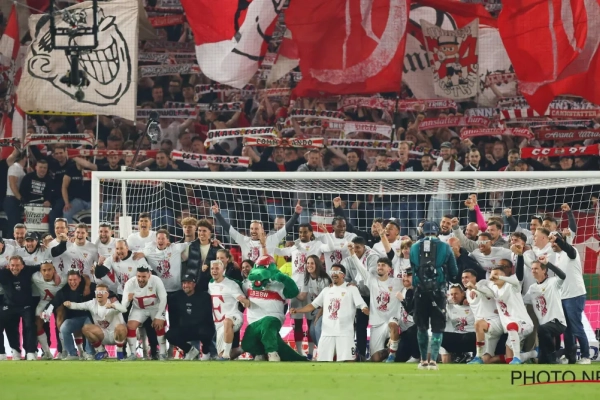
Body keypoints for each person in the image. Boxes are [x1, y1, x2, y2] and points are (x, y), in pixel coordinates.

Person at [291, 264, 369, 362]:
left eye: (337, 272)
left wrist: (365, 309)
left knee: (349, 361)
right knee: (322, 361)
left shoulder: (351, 289)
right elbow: (313, 305)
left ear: (343, 275)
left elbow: (361, 304)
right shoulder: (326, 290)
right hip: (327, 333)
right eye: (332, 272)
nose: (334, 274)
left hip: (345, 333)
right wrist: (298, 310)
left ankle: (359, 358)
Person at [410, 221, 458, 370]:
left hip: (420, 292)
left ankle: (423, 360)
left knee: (422, 327)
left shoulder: (414, 247)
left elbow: (413, 269)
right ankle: (434, 361)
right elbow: (454, 271)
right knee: (437, 327)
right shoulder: (445, 247)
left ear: (422, 231)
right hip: (438, 292)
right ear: (437, 232)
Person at [348, 250, 402, 359]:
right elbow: (360, 268)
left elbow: (411, 281)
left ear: (389, 269)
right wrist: (352, 254)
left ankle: (392, 354)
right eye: (378, 265)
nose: (380, 267)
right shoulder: (371, 280)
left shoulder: (398, 282)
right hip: (376, 323)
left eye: (383, 265)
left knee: (393, 324)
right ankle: (389, 351)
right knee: (375, 358)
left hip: (391, 320)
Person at [211, 200, 301, 262]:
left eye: (256, 229)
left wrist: (296, 214)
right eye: (252, 229)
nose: (253, 231)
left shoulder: (270, 240)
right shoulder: (244, 240)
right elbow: (229, 229)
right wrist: (217, 214)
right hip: (248, 277)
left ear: (262, 230)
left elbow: (285, 229)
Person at [549, 232, 590, 364]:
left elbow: (569, 249)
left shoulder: (572, 251)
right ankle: (569, 356)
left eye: (555, 241)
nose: (553, 244)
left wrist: (558, 240)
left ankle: (586, 356)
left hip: (575, 295)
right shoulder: (557, 256)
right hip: (563, 296)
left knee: (576, 327)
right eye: (551, 242)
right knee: (566, 329)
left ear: (562, 241)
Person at [63, 283, 128, 360]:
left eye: (102, 292)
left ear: (107, 294)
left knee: (121, 327)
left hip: (117, 335)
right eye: (97, 292)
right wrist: (70, 304)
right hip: (103, 335)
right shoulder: (92, 303)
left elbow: (124, 309)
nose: (99, 294)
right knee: (86, 328)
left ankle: (120, 352)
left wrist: (113, 306)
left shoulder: (113, 302)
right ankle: (101, 351)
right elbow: (78, 305)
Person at [42, 270, 94, 360]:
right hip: (74, 319)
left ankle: (90, 353)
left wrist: (112, 298)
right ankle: (72, 354)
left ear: (80, 279)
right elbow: (54, 303)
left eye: (75, 280)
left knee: (88, 328)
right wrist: (46, 312)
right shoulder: (64, 291)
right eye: (70, 280)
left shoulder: (88, 287)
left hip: (88, 317)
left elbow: (102, 291)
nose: (72, 282)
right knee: (64, 328)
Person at [489, 264, 534, 364]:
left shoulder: (511, 286)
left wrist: (500, 277)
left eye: (496, 274)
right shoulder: (494, 288)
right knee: (509, 359)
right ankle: (533, 354)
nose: (494, 277)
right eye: (492, 275)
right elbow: (484, 288)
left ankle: (517, 357)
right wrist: (474, 288)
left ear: (504, 276)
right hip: (511, 329)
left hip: (523, 323)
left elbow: (516, 281)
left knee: (512, 326)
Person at [121, 266, 168, 360]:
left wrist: (159, 316)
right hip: (139, 308)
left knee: (159, 325)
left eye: (143, 277)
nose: (141, 279)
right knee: (130, 326)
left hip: (155, 307)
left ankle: (163, 353)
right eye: (138, 276)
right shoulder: (130, 283)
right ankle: (133, 354)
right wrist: (128, 300)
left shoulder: (156, 280)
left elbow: (163, 299)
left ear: (149, 275)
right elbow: (123, 306)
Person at [166, 274, 216, 361]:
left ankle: (206, 352)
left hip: (200, 328)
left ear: (194, 284)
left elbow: (208, 317)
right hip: (185, 329)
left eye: (188, 283)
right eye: (184, 283)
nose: (185, 285)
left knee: (208, 330)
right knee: (170, 334)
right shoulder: (176, 297)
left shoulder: (204, 296)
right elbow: (172, 316)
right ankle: (190, 350)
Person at [526, 257, 567, 364]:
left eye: (536, 268)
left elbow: (563, 276)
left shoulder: (553, 282)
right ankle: (562, 353)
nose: (533, 271)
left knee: (542, 329)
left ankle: (554, 356)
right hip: (544, 327)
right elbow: (522, 301)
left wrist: (548, 263)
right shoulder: (532, 288)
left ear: (544, 270)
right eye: (532, 269)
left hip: (557, 322)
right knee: (542, 361)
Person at [0, 255, 40, 360]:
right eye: (12, 265)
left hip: (26, 305)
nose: (15, 268)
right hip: (9, 306)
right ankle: (12, 351)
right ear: (8, 266)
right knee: (10, 326)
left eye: (17, 265)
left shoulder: (28, 270)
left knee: (30, 325)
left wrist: (55, 275)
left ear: (22, 266)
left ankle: (30, 351)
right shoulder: (3, 273)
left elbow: (43, 266)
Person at [208, 260, 247, 360]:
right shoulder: (211, 285)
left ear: (223, 270)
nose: (214, 271)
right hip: (219, 324)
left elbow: (242, 299)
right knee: (220, 355)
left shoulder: (231, 284)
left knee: (227, 321)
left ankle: (226, 354)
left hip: (234, 317)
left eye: (217, 268)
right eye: (212, 269)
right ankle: (240, 350)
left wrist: (244, 301)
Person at [297, 255, 332, 357]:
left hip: (327, 309)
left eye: (312, 263)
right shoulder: (307, 278)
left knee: (317, 328)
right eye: (307, 263)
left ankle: (324, 354)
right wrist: (292, 293)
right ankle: (323, 351)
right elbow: (303, 295)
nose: (309, 265)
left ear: (317, 265)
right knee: (312, 331)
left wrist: (318, 316)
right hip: (316, 310)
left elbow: (326, 301)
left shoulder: (324, 280)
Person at [32, 261, 64, 360]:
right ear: (40, 271)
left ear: (54, 270)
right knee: (37, 324)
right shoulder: (35, 277)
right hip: (44, 302)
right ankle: (47, 352)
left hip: (58, 303)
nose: (47, 273)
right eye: (44, 270)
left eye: (49, 269)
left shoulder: (63, 278)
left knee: (60, 322)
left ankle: (63, 351)